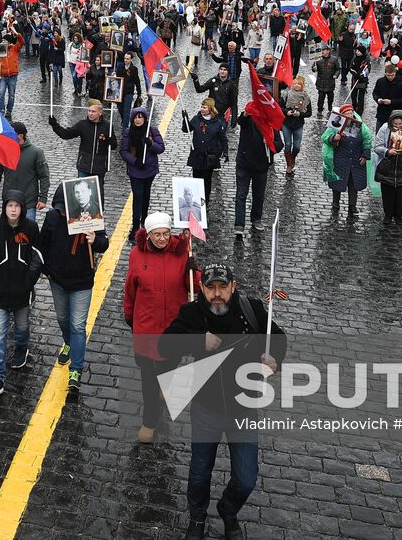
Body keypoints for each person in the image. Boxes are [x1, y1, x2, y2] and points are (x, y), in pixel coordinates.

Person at [160, 264, 286, 540]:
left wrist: (274, 360)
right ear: (202, 289)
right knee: (199, 473)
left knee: (246, 478)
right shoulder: (192, 314)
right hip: (206, 408)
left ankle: (228, 510)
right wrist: (195, 342)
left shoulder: (252, 309)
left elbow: (278, 339)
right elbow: (164, 345)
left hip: (244, 408)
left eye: (222, 287)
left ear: (233, 286)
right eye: (210, 288)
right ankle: (197, 518)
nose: (216, 294)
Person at [122, 211, 196, 442]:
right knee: (148, 379)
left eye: (166, 234)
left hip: (174, 327)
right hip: (146, 327)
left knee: (170, 366)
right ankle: (149, 422)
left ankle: (166, 384)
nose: (162, 239)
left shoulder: (183, 253)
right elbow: (130, 289)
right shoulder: (136, 254)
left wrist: (195, 271)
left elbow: (192, 285)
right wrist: (129, 315)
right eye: (157, 235)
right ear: (148, 234)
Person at [37, 184, 107, 392]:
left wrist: (95, 240)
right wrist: (46, 270)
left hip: (82, 282)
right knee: (62, 319)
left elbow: (104, 243)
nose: (63, 213)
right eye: (61, 209)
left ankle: (75, 369)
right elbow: (43, 245)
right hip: (57, 280)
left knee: (78, 325)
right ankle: (68, 342)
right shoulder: (52, 217)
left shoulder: (91, 217)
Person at [0, 190, 43, 401]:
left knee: (22, 326)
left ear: (22, 208)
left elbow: (38, 257)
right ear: (4, 207)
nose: (13, 209)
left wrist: (27, 283)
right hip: (0, 293)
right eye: (10, 205)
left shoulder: (31, 228)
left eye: (17, 206)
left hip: (23, 292)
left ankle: (21, 348)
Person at [231, 96, 276, 241]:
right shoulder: (248, 119)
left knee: (259, 196)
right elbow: (240, 121)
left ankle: (256, 219)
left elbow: (279, 144)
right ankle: (239, 225)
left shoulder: (270, 124)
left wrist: (270, 142)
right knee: (241, 195)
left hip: (261, 165)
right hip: (244, 163)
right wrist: (245, 113)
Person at [0, 121, 51, 223]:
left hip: (28, 203)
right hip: (9, 202)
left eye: (10, 134)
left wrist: (43, 198)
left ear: (20, 136)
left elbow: (44, 176)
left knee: (27, 236)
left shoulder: (36, 152)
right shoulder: (3, 151)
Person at [321, 104, 371, 221]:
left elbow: (367, 141)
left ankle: (352, 206)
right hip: (340, 159)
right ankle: (335, 204)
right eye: (346, 113)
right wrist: (333, 138)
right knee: (337, 182)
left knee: (354, 184)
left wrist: (365, 155)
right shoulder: (335, 126)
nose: (349, 115)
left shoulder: (361, 126)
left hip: (355, 159)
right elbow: (325, 138)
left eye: (351, 112)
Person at [121, 106, 165, 234]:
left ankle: (144, 219)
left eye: (140, 117)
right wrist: (134, 161)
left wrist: (151, 144)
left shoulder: (152, 131)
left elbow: (161, 148)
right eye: (135, 117)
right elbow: (123, 151)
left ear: (145, 119)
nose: (138, 120)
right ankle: (135, 225)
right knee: (137, 196)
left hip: (149, 170)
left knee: (146, 195)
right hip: (135, 170)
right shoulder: (128, 132)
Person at [182, 98, 227, 204]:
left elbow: (223, 138)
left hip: (209, 157)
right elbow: (186, 129)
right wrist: (185, 119)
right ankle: (196, 201)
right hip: (197, 155)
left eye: (204, 107)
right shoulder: (196, 119)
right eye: (201, 107)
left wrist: (224, 151)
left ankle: (204, 202)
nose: (202, 109)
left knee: (206, 181)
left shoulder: (217, 123)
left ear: (210, 109)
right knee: (196, 180)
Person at [278, 74, 311, 176]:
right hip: (286, 123)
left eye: (299, 84)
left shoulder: (306, 97)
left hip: (298, 124)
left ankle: (293, 158)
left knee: (296, 147)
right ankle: (289, 165)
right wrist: (286, 112)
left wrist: (300, 114)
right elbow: (279, 107)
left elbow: (309, 113)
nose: (296, 86)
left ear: (302, 86)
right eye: (295, 84)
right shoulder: (286, 94)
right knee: (288, 144)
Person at [311, 45, 340, 114]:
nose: (322, 52)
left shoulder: (334, 59)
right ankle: (320, 109)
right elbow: (313, 68)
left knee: (330, 97)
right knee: (321, 98)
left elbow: (338, 69)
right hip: (321, 82)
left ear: (328, 51)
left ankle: (330, 107)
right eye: (322, 50)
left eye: (324, 50)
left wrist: (336, 75)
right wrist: (314, 69)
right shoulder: (318, 59)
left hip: (330, 82)